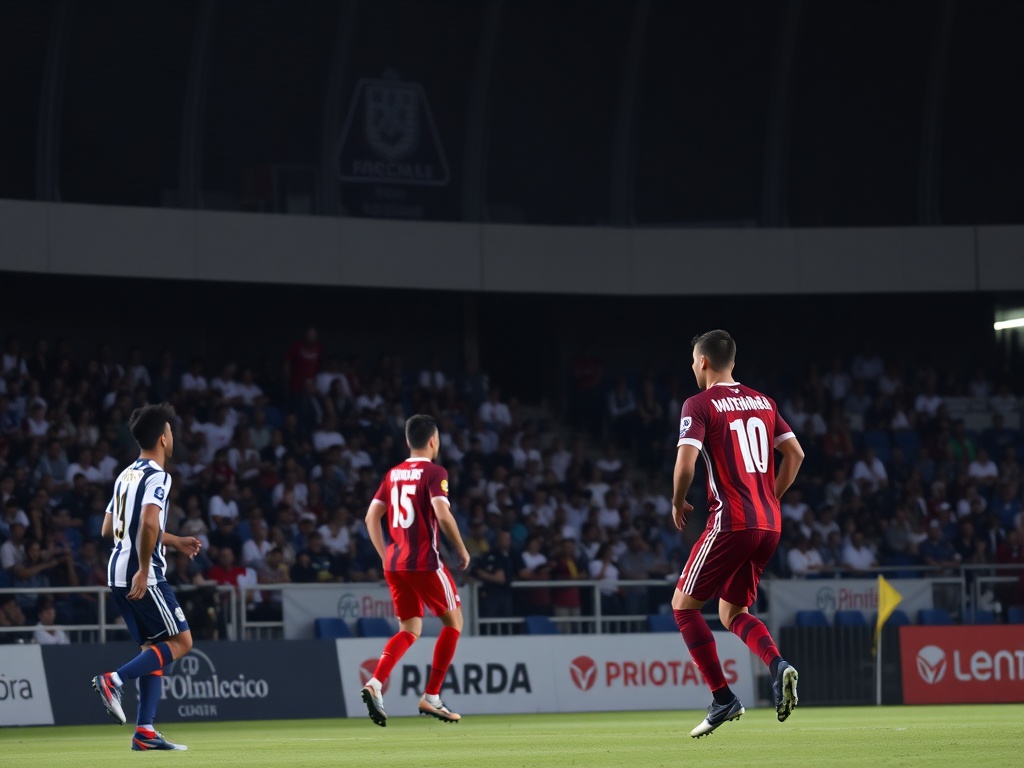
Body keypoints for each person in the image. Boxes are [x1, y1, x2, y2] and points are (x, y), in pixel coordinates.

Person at [670, 330, 805, 738]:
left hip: (731, 521)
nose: (693, 367)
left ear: (704, 362)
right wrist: (770, 496)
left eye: (694, 361)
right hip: (769, 524)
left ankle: (723, 698)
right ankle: (778, 664)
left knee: (684, 607)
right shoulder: (764, 401)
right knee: (732, 612)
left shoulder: (699, 403)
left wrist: (677, 502)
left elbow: (686, 463)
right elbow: (795, 454)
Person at [91, 403, 202, 751]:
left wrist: (175, 540)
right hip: (143, 573)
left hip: (116, 572)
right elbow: (150, 523)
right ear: (162, 438)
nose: (173, 435)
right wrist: (143, 567)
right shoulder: (159, 476)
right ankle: (114, 679)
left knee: (153, 648)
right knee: (182, 643)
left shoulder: (126, 474)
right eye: (170, 430)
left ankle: (145, 732)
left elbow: (110, 528)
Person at [360, 414, 471, 727]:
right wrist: (462, 549)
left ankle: (376, 684)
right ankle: (432, 696)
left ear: (408, 441)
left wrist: (386, 556)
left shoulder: (393, 474)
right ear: (433, 441)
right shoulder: (436, 472)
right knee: (454, 621)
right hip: (424, 562)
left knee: (409, 630)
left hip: (395, 564)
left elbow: (371, 518)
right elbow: (443, 514)